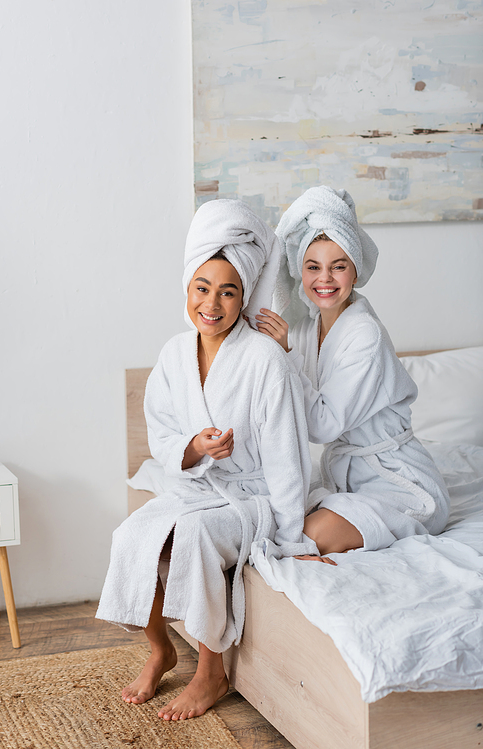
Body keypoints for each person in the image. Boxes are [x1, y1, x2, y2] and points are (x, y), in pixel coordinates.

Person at [96, 199, 318, 720]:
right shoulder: (174, 355)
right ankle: (161, 649)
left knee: (193, 538)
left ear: (243, 297)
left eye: (228, 291)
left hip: (253, 497)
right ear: (187, 289)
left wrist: (290, 539)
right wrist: (195, 448)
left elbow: (289, 456)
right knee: (131, 536)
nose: (212, 304)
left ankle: (211, 672)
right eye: (202, 288)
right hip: (198, 487)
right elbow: (162, 432)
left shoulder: (265, 359)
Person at [256, 186, 450, 561]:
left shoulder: (365, 335)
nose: (324, 279)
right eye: (313, 266)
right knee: (271, 517)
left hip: (398, 480)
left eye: (338, 265)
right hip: (347, 477)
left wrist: (286, 355)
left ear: (355, 270)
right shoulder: (307, 328)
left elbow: (323, 426)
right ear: (300, 270)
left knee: (310, 531)